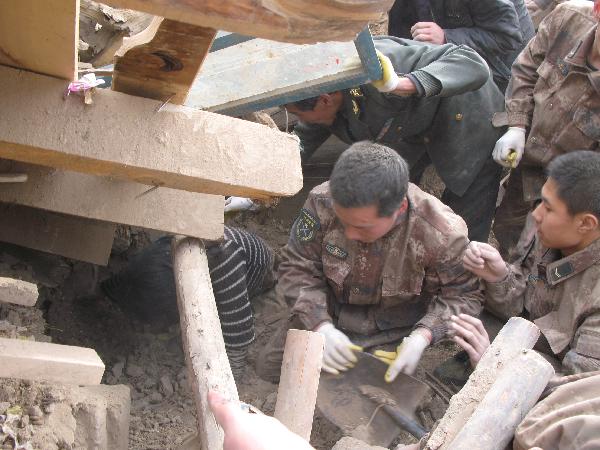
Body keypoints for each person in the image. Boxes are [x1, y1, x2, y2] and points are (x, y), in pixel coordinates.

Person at [256, 142, 483, 383]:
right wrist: (320, 324)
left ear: (400, 208)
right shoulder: (322, 202)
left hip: (391, 331)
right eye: (344, 223)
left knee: (380, 396)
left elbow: (464, 295)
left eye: (362, 227)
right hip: (327, 310)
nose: (350, 234)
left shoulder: (441, 232)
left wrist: (423, 336)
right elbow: (296, 265)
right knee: (271, 369)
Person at [287, 36, 505, 243]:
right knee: (389, 195)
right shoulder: (325, 87)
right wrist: (274, 176)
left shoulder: (381, 67)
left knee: (467, 214)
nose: (301, 120)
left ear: (325, 100)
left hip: (465, 118)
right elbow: (306, 135)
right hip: (410, 128)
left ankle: (464, 269)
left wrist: (401, 85)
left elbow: (472, 63)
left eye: (298, 114)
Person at [463, 151, 600, 374]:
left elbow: (575, 391)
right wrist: (499, 277)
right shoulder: (553, 234)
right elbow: (529, 298)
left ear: (585, 223)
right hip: (532, 343)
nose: (536, 214)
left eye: (548, 207)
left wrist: (497, 369)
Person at [492, 0, 600, 257]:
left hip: (573, 192)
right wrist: (516, 125)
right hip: (526, 162)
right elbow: (526, 68)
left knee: (547, 259)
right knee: (508, 232)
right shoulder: (567, 18)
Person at [101, 226, 276, 376]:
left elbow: (238, 335)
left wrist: (230, 378)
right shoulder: (162, 250)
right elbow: (125, 280)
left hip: (258, 269)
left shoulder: (226, 266)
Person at [387, 0, 535, 93]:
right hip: (450, 58)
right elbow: (402, 33)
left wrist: (446, 37)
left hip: (503, 73)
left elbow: (508, 37)